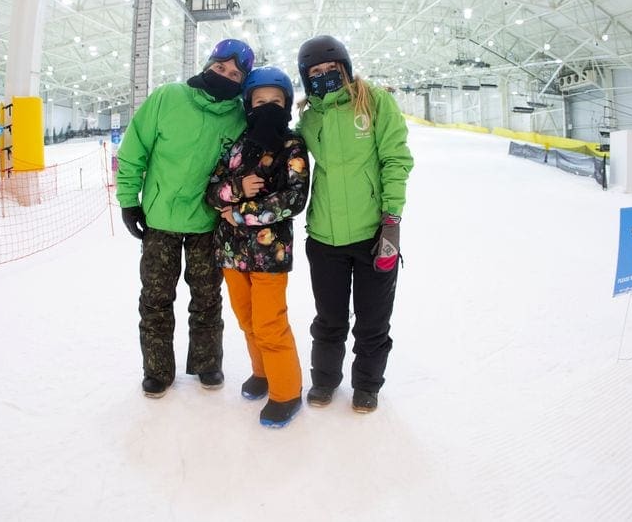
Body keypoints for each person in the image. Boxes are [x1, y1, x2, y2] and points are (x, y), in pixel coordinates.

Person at [117, 39, 255, 398]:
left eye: (234, 74)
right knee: (156, 298)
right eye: (220, 67)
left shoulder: (239, 117)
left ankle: (207, 363)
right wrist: (129, 200)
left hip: (208, 225)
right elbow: (134, 150)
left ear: (242, 82)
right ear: (208, 64)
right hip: (160, 221)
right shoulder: (168, 98)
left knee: (208, 298)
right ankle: (158, 371)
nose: (224, 76)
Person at [295, 35, 414, 414]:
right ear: (306, 77)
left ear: (345, 67)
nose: (325, 75)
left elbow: (395, 158)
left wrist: (391, 220)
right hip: (325, 237)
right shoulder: (310, 118)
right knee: (328, 319)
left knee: (373, 321)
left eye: (332, 68)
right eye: (316, 71)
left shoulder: (375, 101)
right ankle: (325, 381)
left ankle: (366, 385)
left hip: (373, 235)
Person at [205, 66, 310, 428]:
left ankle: (286, 391)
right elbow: (212, 190)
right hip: (232, 255)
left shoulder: (291, 145)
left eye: (275, 101)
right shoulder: (237, 146)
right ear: (248, 105)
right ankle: (262, 372)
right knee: (247, 320)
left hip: (269, 254)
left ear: (286, 105)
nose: (267, 107)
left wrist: (242, 213)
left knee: (269, 323)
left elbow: (293, 199)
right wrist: (236, 191)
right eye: (260, 101)